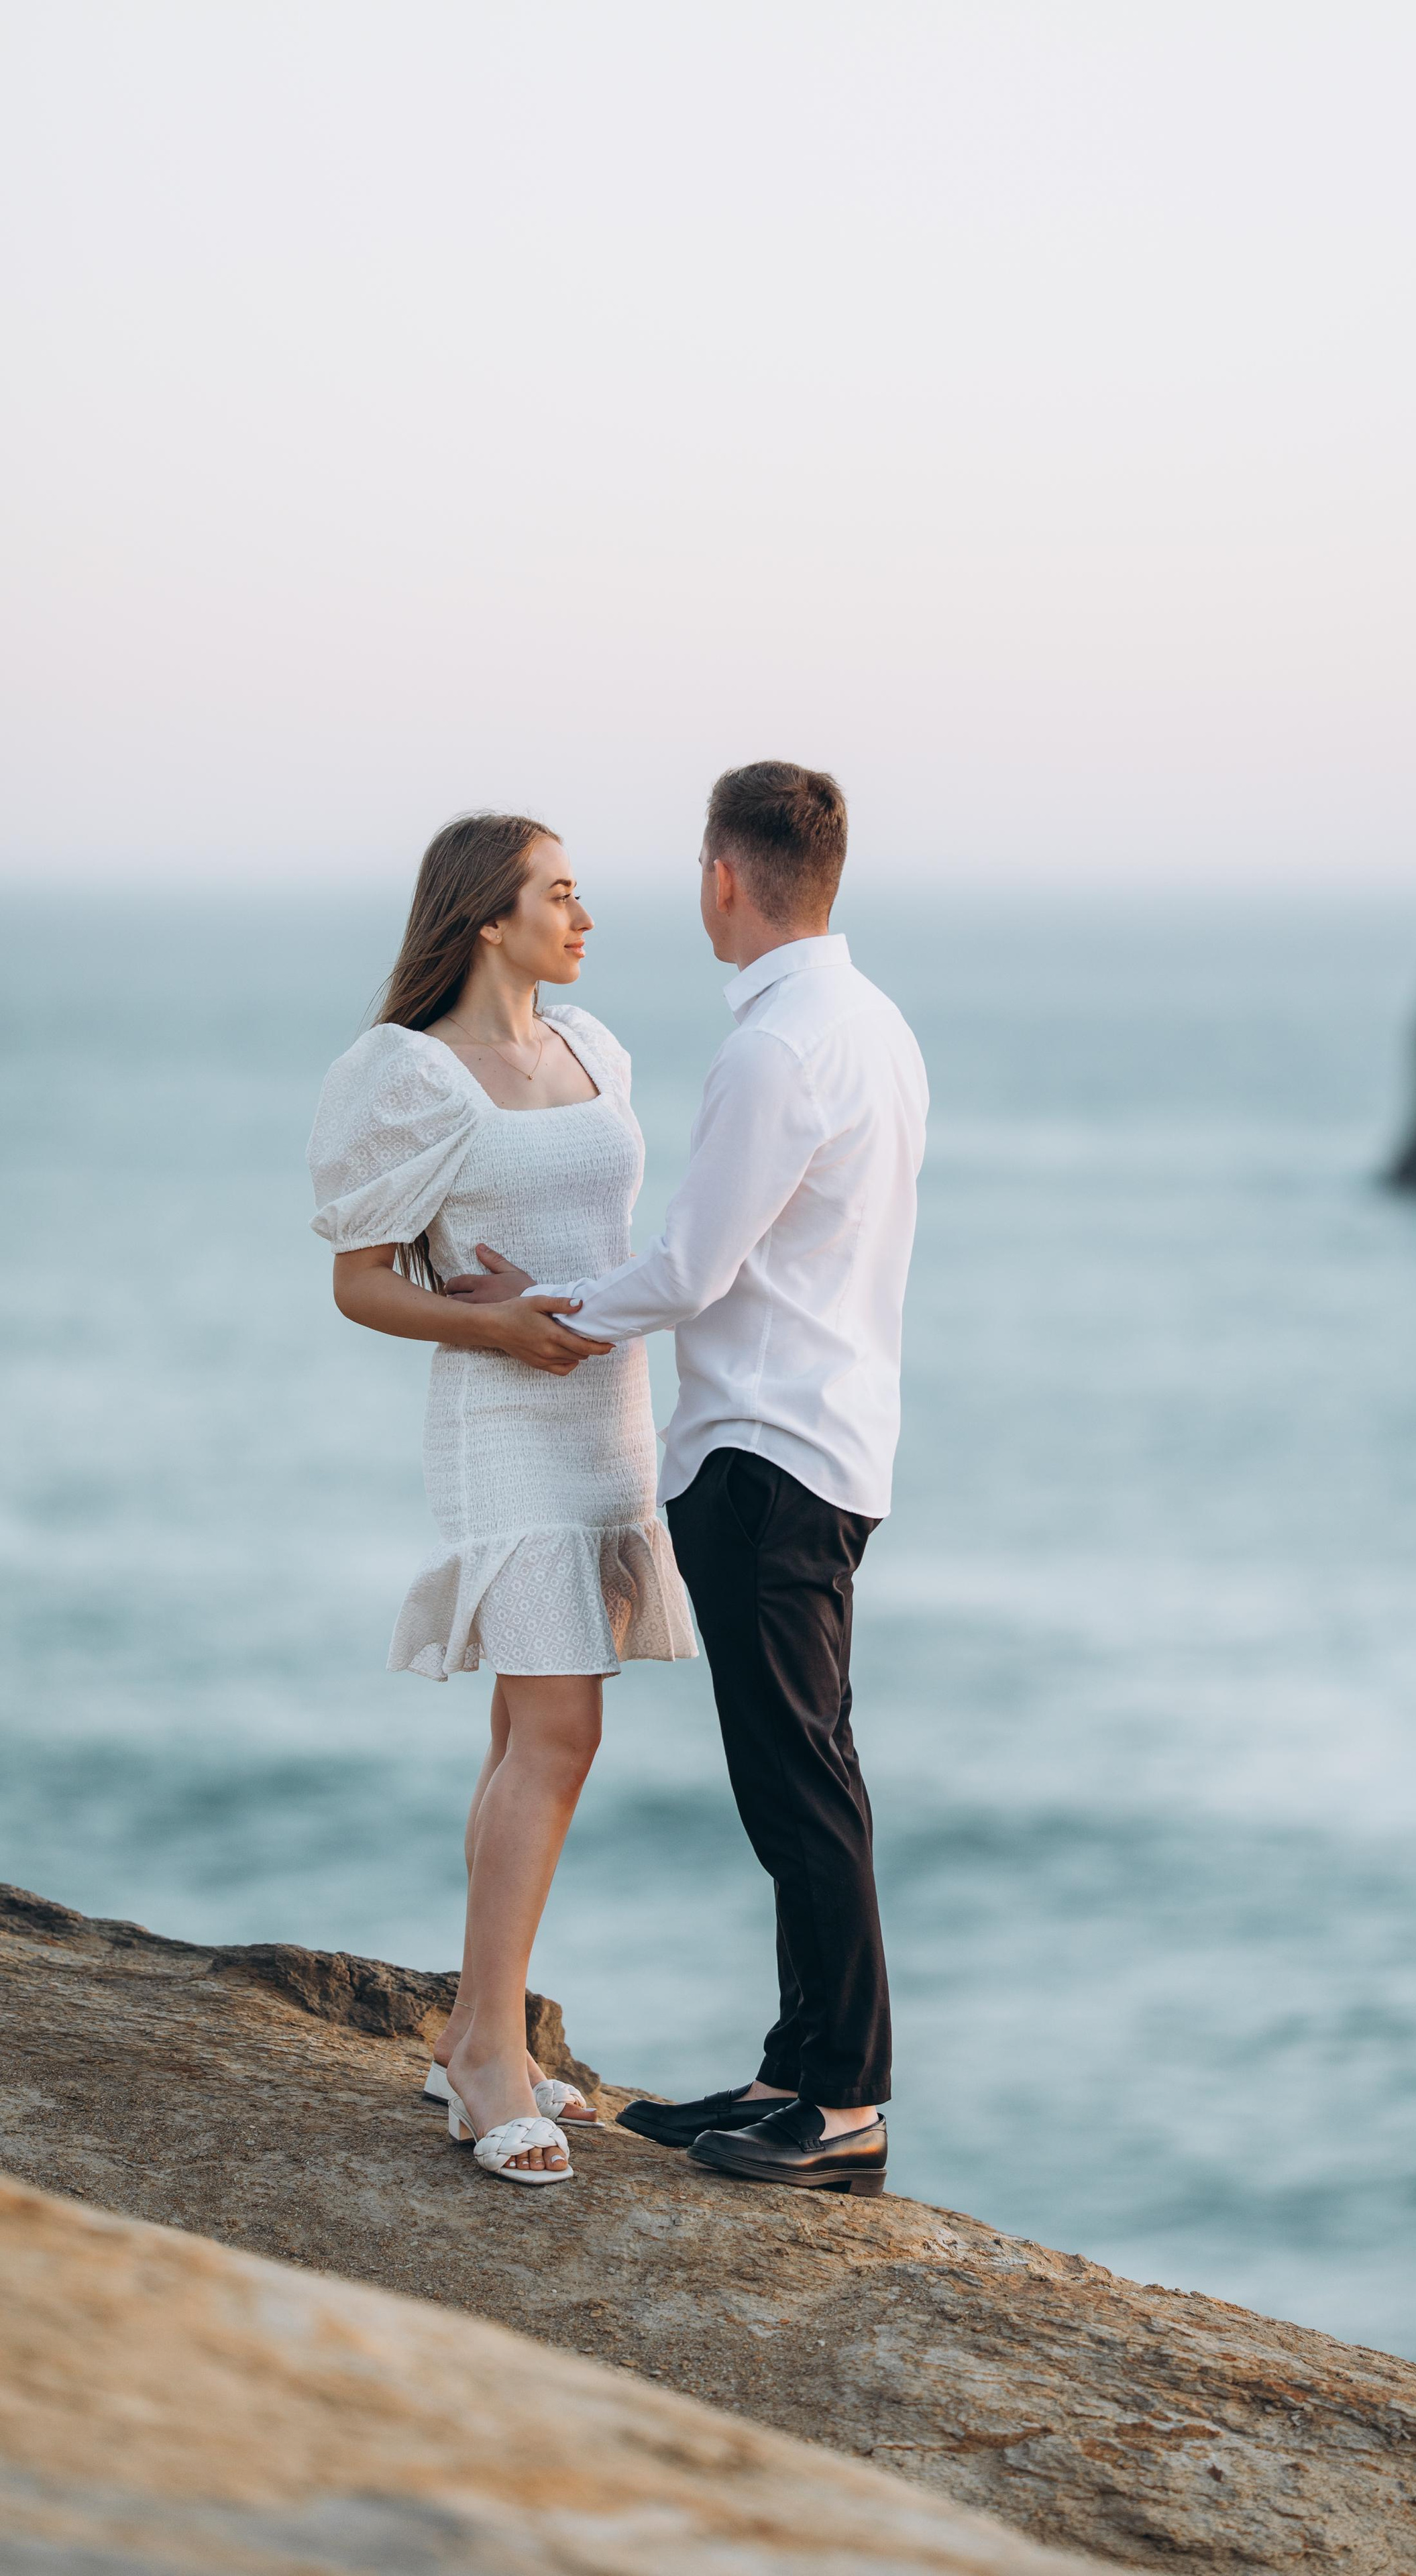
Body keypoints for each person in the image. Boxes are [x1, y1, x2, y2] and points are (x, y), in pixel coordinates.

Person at [445, 761, 928, 2196]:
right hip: (833, 1438)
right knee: (804, 1765)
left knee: (796, 1781)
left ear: (725, 876)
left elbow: (694, 1268)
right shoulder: (874, 1024)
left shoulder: (776, 1047)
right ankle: (799, 2070)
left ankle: (838, 2103)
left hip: (768, 1453)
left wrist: (545, 1310)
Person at [307, 813, 696, 2188]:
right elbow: (362, 1282)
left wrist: (584, 1311)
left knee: (520, 1733)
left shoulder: (597, 1052)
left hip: (609, 1423)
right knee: (560, 1730)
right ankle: (485, 2056)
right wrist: (501, 1330)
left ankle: (477, 2035)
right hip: (504, 1428)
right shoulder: (409, 1077)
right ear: (486, 915)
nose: (584, 919)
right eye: (560, 896)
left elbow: (612, 1243)